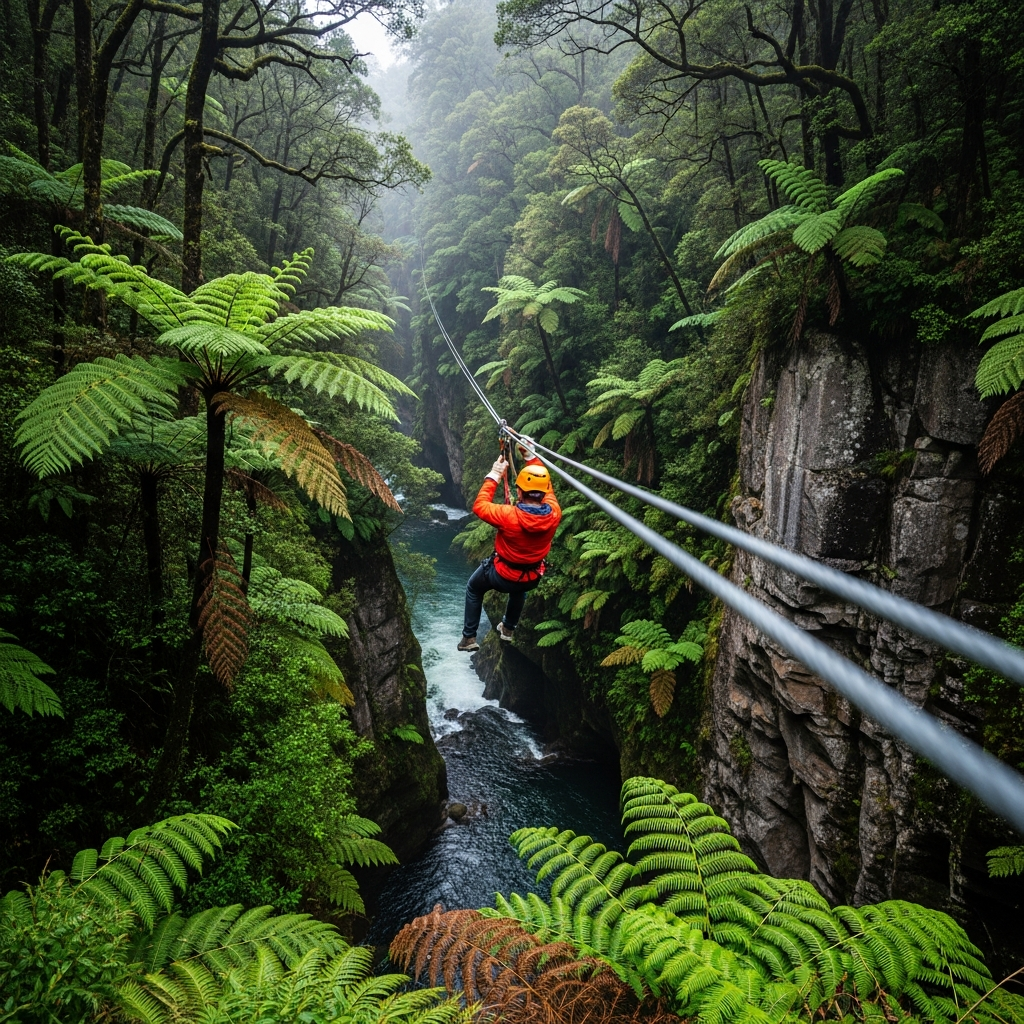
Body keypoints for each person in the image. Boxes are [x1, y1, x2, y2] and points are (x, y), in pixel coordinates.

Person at [458, 446, 561, 652]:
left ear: (520, 491)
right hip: (531, 576)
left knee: (474, 588)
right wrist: (531, 457)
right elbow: (546, 487)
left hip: (501, 575)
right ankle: (508, 628)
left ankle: (469, 638)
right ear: (542, 493)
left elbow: (480, 506)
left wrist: (494, 475)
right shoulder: (554, 514)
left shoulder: (508, 516)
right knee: (520, 590)